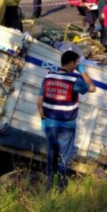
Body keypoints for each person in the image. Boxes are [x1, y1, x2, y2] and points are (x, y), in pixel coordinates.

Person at [36, 50, 96, 190]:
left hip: (50, 125)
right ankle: (60, 190)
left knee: (51, 157)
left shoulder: (48, 77)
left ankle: (49, 187)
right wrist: (83, 72)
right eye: (76, 63)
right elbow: (92, 88)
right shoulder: (74, 80)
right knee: (64, 160)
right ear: (71, 63)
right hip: (66, 127)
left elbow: (39, 102)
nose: (76, 66)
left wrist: (43, 119)